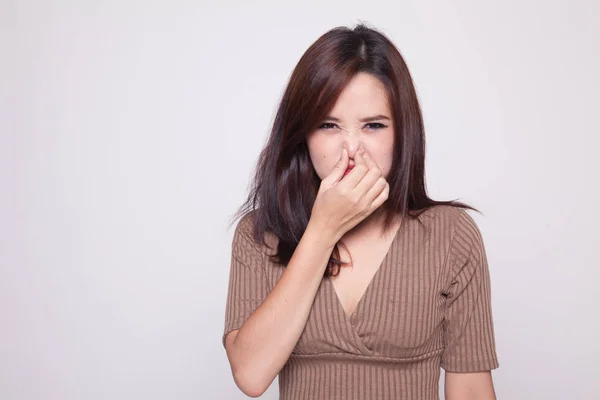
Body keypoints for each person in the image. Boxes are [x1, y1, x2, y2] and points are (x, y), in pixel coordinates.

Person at [222, 23, 499, 400]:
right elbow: (251, 376)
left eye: (373, 125)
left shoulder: (452, 236)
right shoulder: (260, 233)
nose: (352, 150)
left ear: (403, 133)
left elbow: (470, 390)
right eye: (329, 125)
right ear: (303, 134)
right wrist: (322, 230)